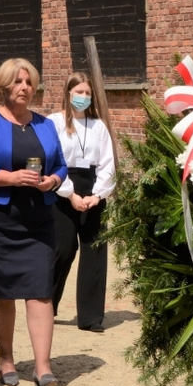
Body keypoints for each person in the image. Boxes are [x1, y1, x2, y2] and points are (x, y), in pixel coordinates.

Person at [0, 58, 67, 386]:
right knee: (2, 292)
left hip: (39, 219)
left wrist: (52, 180)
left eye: (29, 82)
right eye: (17, 82)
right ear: (4, 85)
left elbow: (62, 166)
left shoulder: (46, 125)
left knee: (41, 291)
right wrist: (9, 178)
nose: (24, 88)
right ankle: (6, 359)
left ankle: (43, 368)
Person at [48, 73, 116, 332]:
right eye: (79, 92)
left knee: (94, 250)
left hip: (92, 186)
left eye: (88, 93)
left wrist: (97, 194)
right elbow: (51, 159)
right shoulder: (53, 123)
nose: (84, 97)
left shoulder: (98, 126)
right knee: (63, 250)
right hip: (63, 186)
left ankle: (90, 317)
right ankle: (47, 304)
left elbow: (108, 163)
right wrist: (69, 193)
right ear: (68, 93)